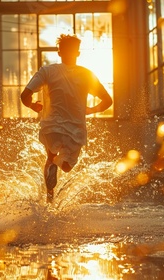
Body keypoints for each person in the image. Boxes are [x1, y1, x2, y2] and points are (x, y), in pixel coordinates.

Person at [20, 34, 113, 202]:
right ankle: (57, 163)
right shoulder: (87, 75)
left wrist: (34, 106)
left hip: (51, 126)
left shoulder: (47, 71)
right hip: (76, 129)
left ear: (59, 53)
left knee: (50, 157)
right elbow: (108, 101)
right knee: (67, 167)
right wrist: (90, 110)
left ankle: (50, 198)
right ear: (77, 53)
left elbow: (24, 96)